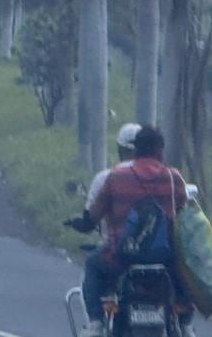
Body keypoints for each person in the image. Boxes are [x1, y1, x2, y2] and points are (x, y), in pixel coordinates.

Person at [73, 126, 188, 337]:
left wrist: (83, 223)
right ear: (161, 152)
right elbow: (184, 214)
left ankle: (96, 323)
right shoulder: (174, 178)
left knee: (92, 265)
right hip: (166, 259)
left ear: (135, 150)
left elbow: (93, 216)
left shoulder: (115, 177)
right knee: (189, 270)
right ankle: (185, 322)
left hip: (121, 258)